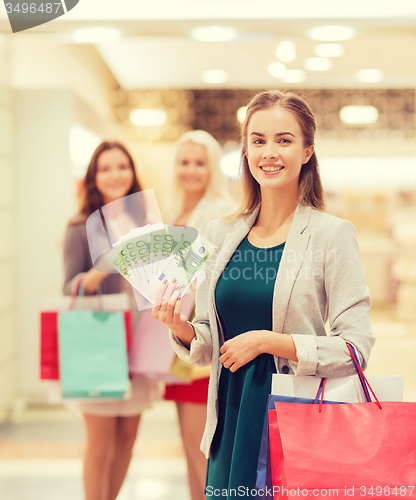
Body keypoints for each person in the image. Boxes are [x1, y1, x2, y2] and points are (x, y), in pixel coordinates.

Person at [151, 91, 376, 498]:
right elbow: (207, 344)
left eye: (284, 140)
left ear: (308, 150)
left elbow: (356, 348)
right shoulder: (220, 234)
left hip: (295, 419)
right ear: (245, 151)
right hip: (228, 424)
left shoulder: (331, 235)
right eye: (258, 140)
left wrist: (270, 342)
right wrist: (179, 327)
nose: (269, 152)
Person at [63, 141, 157, 500]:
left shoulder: (145, 223)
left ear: (132, 173)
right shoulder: (81, 226)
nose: (115, 175)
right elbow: (70, 286)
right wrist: (100, 271)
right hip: (99, 342)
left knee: (128, 437)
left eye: (122, 167)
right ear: (93, 177)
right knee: (100, 441)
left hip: (140, 342)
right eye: (105, 168)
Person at [164, 130, 236, 500]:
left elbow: (211, 280)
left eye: (199, 162)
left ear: (212, 168)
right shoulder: (175, 210)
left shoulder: (219, 212)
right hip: (176, 337)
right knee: (188, 446)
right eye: (185, 161)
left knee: (201, 450)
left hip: (200, 337)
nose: (191, 170)